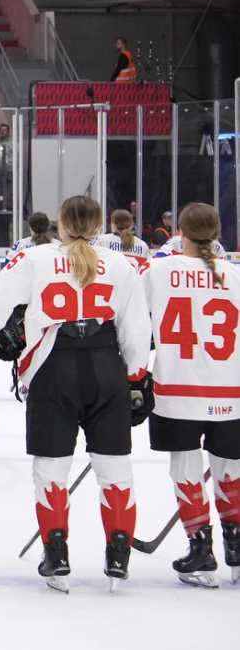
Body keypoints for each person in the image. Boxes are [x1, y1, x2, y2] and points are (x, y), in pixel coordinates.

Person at [0, 194, 151, 592]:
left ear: (61, 222)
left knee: (51, 469)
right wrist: (137, 379)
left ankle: (56, 554)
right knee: (116, 470)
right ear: (98, 224)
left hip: (53, 369)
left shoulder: (35, 258)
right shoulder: (122, 264)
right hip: (106, 367)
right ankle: (119, 554)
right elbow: (137, 330)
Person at [138, 202, 240, 586]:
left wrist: (132, 371)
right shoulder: (234, 275)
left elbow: (133, 320)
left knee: (184, 467)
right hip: (230, 390)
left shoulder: (159, 270)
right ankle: (236, 546)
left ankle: (200, 548)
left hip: (176, 389)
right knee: (230, 468)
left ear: (178, 231)